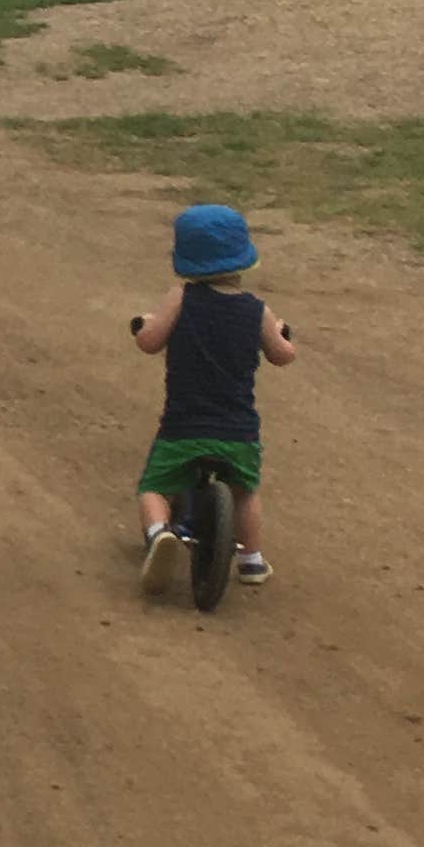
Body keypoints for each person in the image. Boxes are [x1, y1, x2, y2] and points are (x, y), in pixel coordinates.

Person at [130, 203, 295, 592]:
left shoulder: (180, 299)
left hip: (183, 426)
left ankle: (159, 535)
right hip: (238, 430)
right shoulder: (257, 311)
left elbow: (149, 342)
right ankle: (251, 560)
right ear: (244, 259)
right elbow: (282, 355)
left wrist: (144, 326)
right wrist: (284, 333)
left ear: (184, 261)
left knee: (153, 487)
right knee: (245, 492)